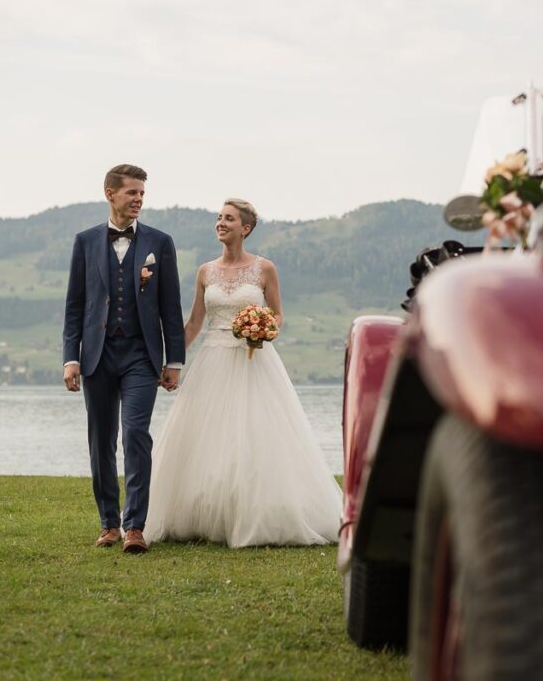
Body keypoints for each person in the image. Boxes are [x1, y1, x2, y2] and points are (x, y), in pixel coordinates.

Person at [144, 198, 341, 548]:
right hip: (213, 358)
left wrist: (263, 328)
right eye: (219, 218)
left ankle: (258, 512)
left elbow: (278, 315)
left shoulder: (265, 269)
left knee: (255, 436)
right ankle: (202, 511)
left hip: (254, 360)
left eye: (229, 219)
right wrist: (172, 362)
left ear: (245, 228)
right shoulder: (205, 271)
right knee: (206, 439)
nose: (221, 223)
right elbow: (194, 323)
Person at [62, 164, 185, 554]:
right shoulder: (84, 242)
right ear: (110, 193)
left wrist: (174, 361)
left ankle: (135, 526)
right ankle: (108, 524)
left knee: (135, 435)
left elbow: (170, 306)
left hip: (140, 356)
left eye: (142, 194)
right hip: (97, 355)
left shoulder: (159, 243)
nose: (139, 200)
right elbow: (75, 306)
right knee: (101, 440)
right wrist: (71, 357)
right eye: (132, 192)